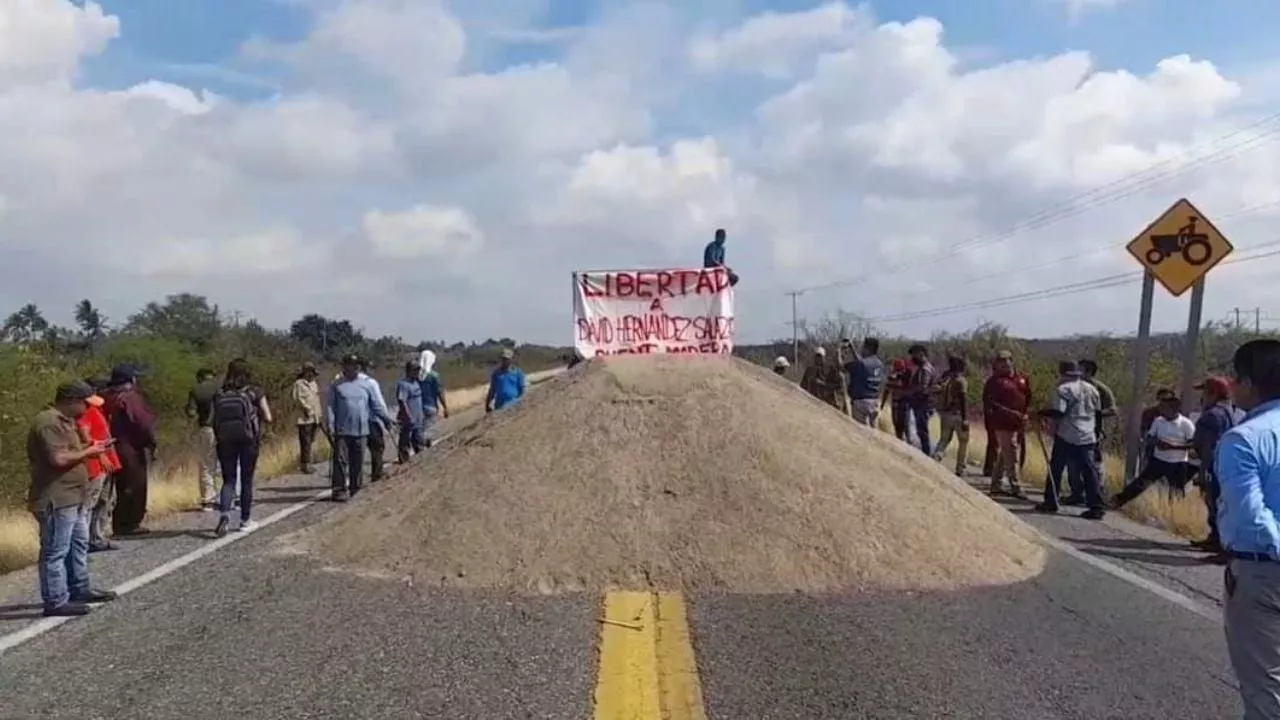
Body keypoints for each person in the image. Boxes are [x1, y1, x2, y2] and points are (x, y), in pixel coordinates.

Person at [1217, 339, 1280, 717]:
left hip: (1263, 570)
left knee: (1265, 688)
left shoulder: (1244, 438)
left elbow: (1249, 518)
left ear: (1249, 382)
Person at [27, 381, 118, 616]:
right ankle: (55, 600)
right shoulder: (48, 423)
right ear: (71, 400)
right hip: (56, 498)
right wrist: (90, 452)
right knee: (56, 550)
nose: (87, 409)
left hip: (74, 495)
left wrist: (90, 445)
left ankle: (79, 587)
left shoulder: (66, 422)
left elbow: (70, 451)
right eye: (85, 403)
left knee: (78, 543)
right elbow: (58, 459)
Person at [1034, 361, 1106, 519]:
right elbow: (1098, 413)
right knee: (1089, 471)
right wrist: (1097, 432)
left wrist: (1041, 413)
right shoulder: (1092, 389)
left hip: (1068, 434)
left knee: (1056, 468)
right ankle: (1097, 506)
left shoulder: (1063, 389)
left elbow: (1059, 413)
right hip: (1088, 434)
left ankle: (1051, 501)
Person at [211, 358, 273, 537]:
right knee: (246, 480)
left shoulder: (220, 393)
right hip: (248, 440)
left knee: (228, 479)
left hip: (224, 441)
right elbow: (268, 417)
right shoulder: (254, 391)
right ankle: (245, 520)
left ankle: (224, 514)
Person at [1111, 390, 1196, 509]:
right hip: (1158, 459)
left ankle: (1175, 514)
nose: (1161, 409)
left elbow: (1193, 444)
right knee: (1141, 482)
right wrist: (1157, 442)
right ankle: (1117, 501)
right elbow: (1150, 436)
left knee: (1176, 491)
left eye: (1164, 407)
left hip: (1177, 462)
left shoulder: (1186, 424)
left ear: (1173, 408)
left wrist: (1173, 447)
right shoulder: (1159, 421)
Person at [326, 354, 394, 501]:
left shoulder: (367, 384)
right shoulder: (337, 385)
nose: (352, 368)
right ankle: (338, 490)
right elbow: (331, 407)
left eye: (355, 365)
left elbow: (376, 405)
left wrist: (386, 419)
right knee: (340, 460)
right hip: (342, 430)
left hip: (361, 430)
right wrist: (331, 425)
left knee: (357, 461)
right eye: (349, 365)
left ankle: (356, 489)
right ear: (344, 366)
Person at [101, 364, 156, 537]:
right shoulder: (130, 398)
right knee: (135, 485)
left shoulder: (105, 397)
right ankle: (129, 523)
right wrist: (151, 442)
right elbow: (142, 423)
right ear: (130, 380)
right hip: (130, 448)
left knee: (119, 485)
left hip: (110, 447)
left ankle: (118, 522)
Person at [1188, 376, 1238, 555]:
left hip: (1213, 465)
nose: (1202, 397)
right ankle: (1215, 539)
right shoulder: (1228, 411)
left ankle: (1221, 544)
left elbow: (1209, 445)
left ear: (1213, 393)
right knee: (1217, 503)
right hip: (1224, 464)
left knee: (1214, 503)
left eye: (1205, 392)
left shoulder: (1212, 415)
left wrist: (1202, 471)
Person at [79, 377, 121, 553]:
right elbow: (85, 435)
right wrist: (102, 454)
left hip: (105, 462)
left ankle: (97, 537)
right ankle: (84, 541)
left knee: (104, 501)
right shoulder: (85, 411)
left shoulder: (96, 408)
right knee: (90, 503)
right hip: (96, 464)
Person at [982, 350, 1030, 499]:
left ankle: (995, 485)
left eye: (1007, 360)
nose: (1005, 363)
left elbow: (1027, 396)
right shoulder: (994, 382)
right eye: (1001, 361)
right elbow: (991, 403)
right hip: (1002, 423)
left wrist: (1025, 413)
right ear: (996, 364)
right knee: (1012, 454)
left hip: (1019, 422)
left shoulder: (1021, 379)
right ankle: (1016, 486)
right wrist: (1011, 413)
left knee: (1005, 454)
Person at [184, 368, 220, 510]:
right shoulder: (220, 387)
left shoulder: (196, 390)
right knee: (225, 462)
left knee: (206, 464)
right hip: (225, 427)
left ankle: (208, 499)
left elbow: (191, 412)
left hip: (206, 428)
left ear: (199, 377)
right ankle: (228, 495)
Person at [933, 355, 969, 475]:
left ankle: (936, 457)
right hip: (958, 415)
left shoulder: (946, 378)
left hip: (945, 414)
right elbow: (963, 399)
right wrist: (965, 419)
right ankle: (960, 468)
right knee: (963, 442)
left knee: (944, 439)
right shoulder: (961, 381)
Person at [290, 362, 322, 473]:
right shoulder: (299, 384)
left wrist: (318, 414)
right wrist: (307, 409)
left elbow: (316, 399)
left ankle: (310, 461)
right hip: (304, 418)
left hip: (315, 417)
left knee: (311, 440)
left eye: (311, 371)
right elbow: (297, 399)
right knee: (305, 441)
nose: (310, 374)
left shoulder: (314, 383)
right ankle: (305, 464)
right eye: (307, 371)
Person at [846, 338, 885, 427]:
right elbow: (861, 361)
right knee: (874, 430)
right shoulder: (879, 364)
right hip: (874, 401)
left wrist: (838, 354)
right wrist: (852, 349)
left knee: (860, 431)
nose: (862, 350)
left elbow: (842, 367)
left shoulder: (861, 364)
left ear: (868, 348)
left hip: (860, 401)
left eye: (864, 347)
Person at [905, 344, 937, 456]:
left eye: (914, 355)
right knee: (920, 431)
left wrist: (909, 393)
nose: (913, 358)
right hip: (921, 404)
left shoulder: (925, 369)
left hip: (923, 405)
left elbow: (922, 388)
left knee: (922, 431)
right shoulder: (922, 368)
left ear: (921, 354)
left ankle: (927, 454)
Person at [396, 359, 427, 462]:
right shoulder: (403, 384)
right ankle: (403, 464)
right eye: (415, 370)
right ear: (409, 371)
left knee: (419, 442)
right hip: (408, 421)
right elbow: (402, 401)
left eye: (418, 370)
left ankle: (419, 463)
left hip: (418, 419)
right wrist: (408, 416)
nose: (417, 372)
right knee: (405, 444)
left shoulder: (416, 383)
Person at [420, 354, 449, 446]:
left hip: (417, 407)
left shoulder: (417, 376)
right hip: (431, 406)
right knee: (428, 432)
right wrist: (445, 407)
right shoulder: (434, 376)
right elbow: (440, 392)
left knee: (421, 430)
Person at [487, 348, 527, 412]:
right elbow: (492, 390)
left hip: (514, 406)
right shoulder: (496, 373)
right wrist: (487, 405)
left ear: (511, 359)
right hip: (499, 406)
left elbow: (522, 390)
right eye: (503, 359)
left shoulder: (518, 372)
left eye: (506, 359)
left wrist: (522, 404)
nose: (504, 361)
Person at [883, 358, 911, 440]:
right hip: (902, 404)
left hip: (900, 403)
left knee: (901, 425)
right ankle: (904, 440)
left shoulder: (899, 377)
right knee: (904, 425)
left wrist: (882, 404)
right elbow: (886, 390)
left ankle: (903, 439)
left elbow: (886, 391)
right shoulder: (901, 377)